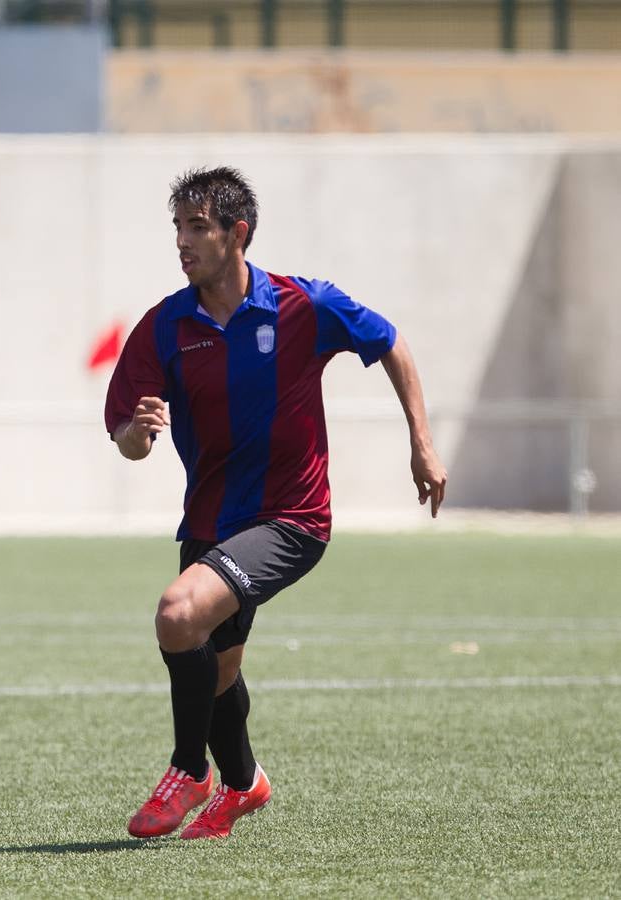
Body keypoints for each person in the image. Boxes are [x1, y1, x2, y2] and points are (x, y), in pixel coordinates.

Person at [105, 166, 447, 841]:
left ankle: (189, 771)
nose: (183, 241)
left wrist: (423, 443)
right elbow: (126, 441)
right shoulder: (163, 326)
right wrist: (138, 434)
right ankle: (242, 784)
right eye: (178, 227)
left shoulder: (303, 305)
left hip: (290, 519)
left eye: (197, 227)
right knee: (218, 667)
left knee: (178, 615)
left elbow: (391, 343)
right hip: (208, 522)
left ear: (239, 234)